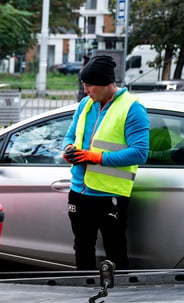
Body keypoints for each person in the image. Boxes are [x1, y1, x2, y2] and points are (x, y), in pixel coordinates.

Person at [62, 55, 150, 271]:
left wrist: (96, 158)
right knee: (82, 246)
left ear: (106, 83)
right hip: (79, 190)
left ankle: (120, 298)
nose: (86, 91)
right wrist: (68, 150)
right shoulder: (85, 104)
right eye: (84, 85)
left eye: (89, 85)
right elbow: (70, 136)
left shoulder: (132, 108)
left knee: (115, 249)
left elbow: (139, 153)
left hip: (109, 194)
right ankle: (85, 291)